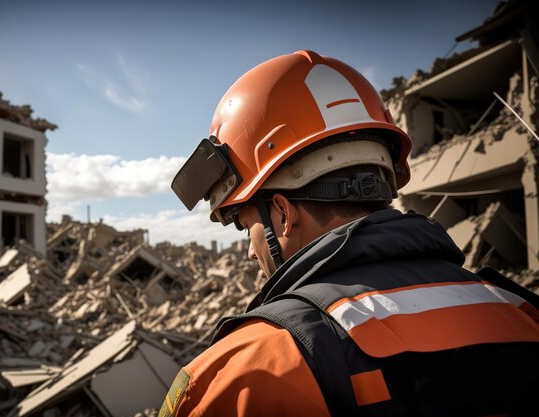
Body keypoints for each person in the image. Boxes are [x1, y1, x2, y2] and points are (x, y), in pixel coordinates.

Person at [160, 50, 539, 417]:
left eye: (245, 227)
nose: (249, 252)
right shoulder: (520, 309)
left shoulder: (246, 374)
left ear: (282, 213)